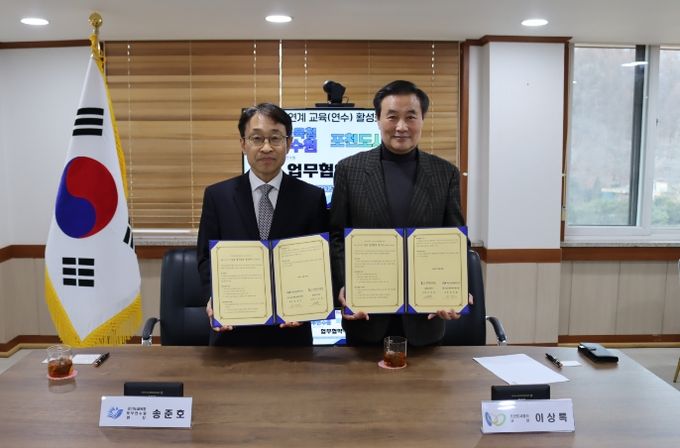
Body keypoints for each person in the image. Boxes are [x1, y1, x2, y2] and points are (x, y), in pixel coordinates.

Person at [329, 80, 468, 347]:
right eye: (392, 117)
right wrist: (345, 286)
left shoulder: (445, 173)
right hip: (366, 317)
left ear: (422, 119)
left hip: (425, 319)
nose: (401, 126)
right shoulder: (349, 170)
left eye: (411, 117)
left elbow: (454, 239)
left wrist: (458, 290)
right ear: (378, 119)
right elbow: (337, 237)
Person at [197, 103, 329, 346]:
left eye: (275, 138)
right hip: (232, 332)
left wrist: (307, 306)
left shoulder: (312, 198)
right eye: (257, 138)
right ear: (243, 144)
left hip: (291, 335)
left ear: (289, 143)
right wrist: (214, 298)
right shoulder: (217, 196)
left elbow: (320, 260)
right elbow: (205, 257)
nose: (266, 147)